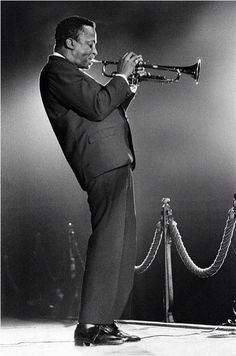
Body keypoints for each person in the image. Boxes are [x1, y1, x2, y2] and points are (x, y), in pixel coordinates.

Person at [40, 15, 143, 346]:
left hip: (114, 161)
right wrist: (121, 76)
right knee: (107, 244)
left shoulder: (73, 74)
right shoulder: (56, 72)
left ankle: (105, 321)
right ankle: (89, 327)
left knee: (121, 246)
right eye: (90, 43)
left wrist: (129, 86)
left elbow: (107, 106)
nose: (95, 50)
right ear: (70, 43)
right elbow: (98, 106)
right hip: (100, 164)